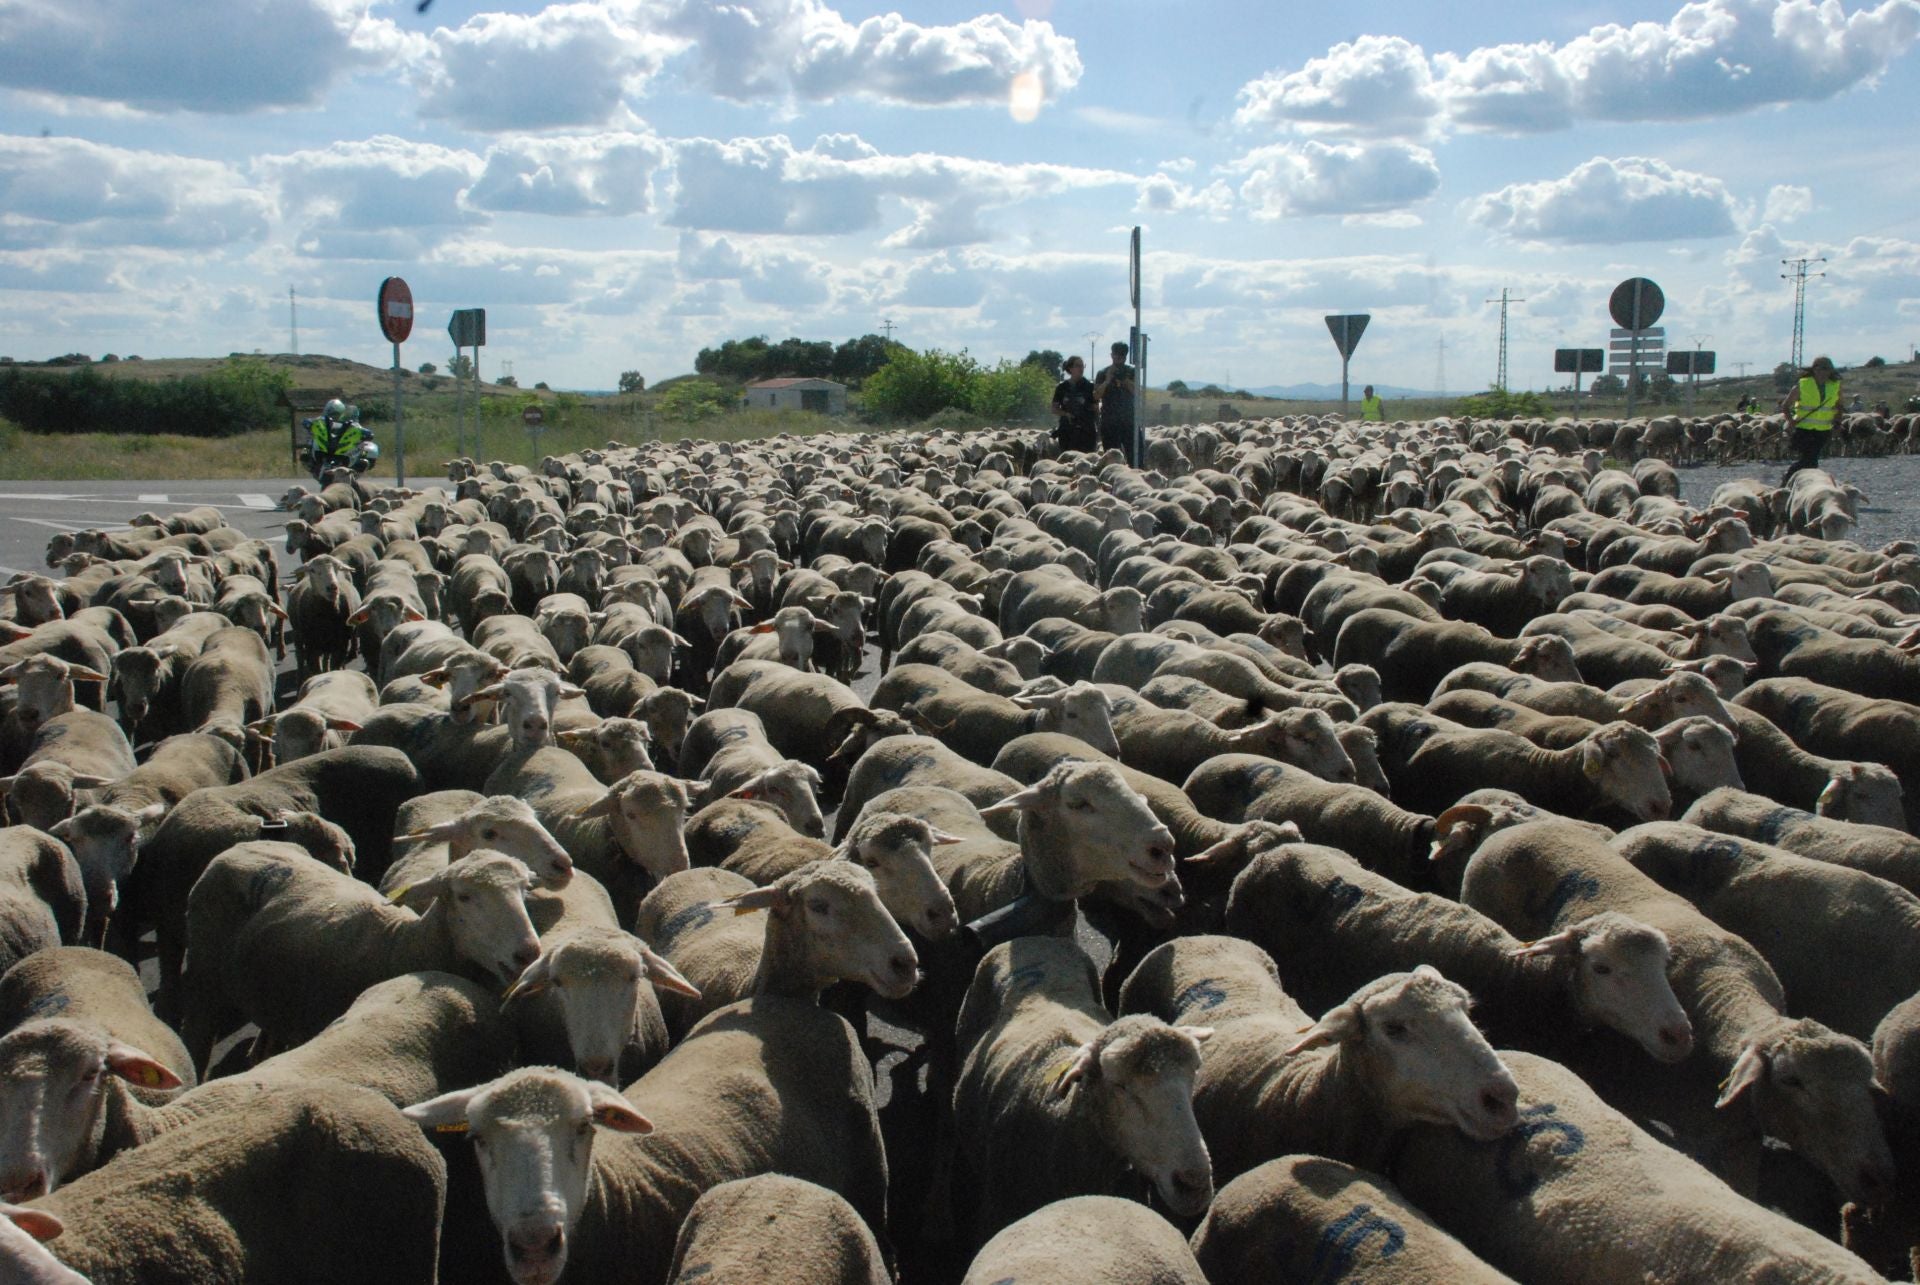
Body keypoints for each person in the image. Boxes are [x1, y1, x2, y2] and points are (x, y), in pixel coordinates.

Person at [1780, 355, 1840, 484]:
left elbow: (1839, 405)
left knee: (1811, 460)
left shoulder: (1835, 386)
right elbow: (1785, 405)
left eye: (1828, 369)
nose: (1825, 372)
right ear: (1814, 369)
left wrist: (1837, 421)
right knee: (1810, 460)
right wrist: (1791, 421)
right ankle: (1787, 481)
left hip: (1823, 430)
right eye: (1822, 368)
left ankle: (1794, 481)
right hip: (1803, 429)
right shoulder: (1803, 385)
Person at [1092, 341, 1136, 461]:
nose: (1119, 358)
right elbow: (1096, 396)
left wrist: (1124, 379)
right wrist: (1107, 380)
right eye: (1116, 355)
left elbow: (1137, 392)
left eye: (1122, 355)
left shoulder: (1132, 372)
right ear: (1112, 355)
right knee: (1112, 458)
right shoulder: (1102, 373)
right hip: (1109, 421)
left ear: (1125, 357)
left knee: (1135, 457)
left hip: (1129, 421)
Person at [1050, 355, 1097, 453]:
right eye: (1077, 366)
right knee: (1067, 458)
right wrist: (1066, 414)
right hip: (1067, 430)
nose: (1081, 368)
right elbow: (1054, 409)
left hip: (1086, 431)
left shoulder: (1090, 386)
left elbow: (1096, 407)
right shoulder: (1062, 387)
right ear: (1070, 368)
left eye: (1082, 366)